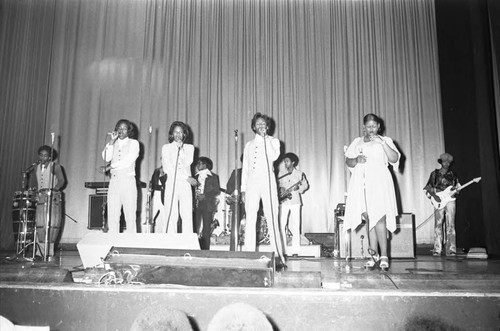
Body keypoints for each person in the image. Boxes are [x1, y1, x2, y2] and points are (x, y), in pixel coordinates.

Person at [344, 113, 400, 270]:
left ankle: (384, 255)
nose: (371, 129)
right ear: (363, 127)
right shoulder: (357, 142)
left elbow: (394, 158)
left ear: (378, 127)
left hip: (380, 181)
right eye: (368, 126)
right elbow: (348, 160)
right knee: (369, 219)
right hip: (362, 183)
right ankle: (373, 254)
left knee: (380, 217)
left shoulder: (386, 140)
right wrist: (356, 160)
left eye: (374, 126)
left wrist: (382, 143)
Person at [241, 113, 285, 263]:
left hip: (267, 181)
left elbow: (273, 156)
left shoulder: (274, 141)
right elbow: (245, 168)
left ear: (267, 127)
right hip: (252, 184)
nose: (260, 126)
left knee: (272, 216)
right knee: (250, 218)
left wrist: (265, 139)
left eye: (263, 124)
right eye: (258, 124)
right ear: (253, 126)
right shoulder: (248, 145)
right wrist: (243, 189)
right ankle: (249, 255)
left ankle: (278, 255)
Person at [101, 119, 139, 233]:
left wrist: (109, 167)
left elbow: (127, 161)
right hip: (114, 182)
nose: (121, 130)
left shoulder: (134, 143)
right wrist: (111, 142)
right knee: (112, 215)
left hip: (128, 181)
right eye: (119, 128)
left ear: (129, 131)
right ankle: (113, 244)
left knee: (130, 215)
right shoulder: (113, 143)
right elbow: (105, 157)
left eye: (124, 128)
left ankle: (131, 245)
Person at [29, 145, 66, 259]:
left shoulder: (56, 166)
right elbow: (35, 182)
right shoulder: (36, 167)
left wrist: (54, 189)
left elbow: (61, 181)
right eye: (41, 155)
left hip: (51, 197)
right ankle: (39, 251)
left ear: (50, 157)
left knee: (49, 224)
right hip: (40, 198)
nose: (43, 157)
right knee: (39, 223)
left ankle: (48, 251)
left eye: (45, 155)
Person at [161, 121, 197, 233]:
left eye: (181, 132)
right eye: (176, 132)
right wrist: (186, 177)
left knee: (186, 213)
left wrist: (181, 149)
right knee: (171, 213)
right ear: (172, 134)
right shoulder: (166, 148)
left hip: (185, 185)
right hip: (172, 182)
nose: (178, 134)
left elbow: (187, 162)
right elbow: (168, 168)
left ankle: (187, 243)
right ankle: (170, 241)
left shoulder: (189, 148)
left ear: (184, 134)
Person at [424, 152, 460, 256]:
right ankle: (437, 249)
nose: (446, 163)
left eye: (448, 162)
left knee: (451, 225)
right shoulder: (434, 174)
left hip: (450, 201)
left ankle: (451, 249)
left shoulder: (453, 175)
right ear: (441, 162)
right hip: (438, 201)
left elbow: (458, 188)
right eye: (444, 161)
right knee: (438, 225)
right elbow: (428, 188)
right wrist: (434, 196)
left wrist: (457, 190)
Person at [278, 152, 309, 256]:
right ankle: (282, 249)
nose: (285, 163)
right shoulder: (281, 173)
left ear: (293, 162)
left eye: (287, 161)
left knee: (295, 225)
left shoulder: (300, 174)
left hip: (295, 201)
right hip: (284, 201)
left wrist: (298, 188)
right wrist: (281, 189)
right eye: (285, 161)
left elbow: (305, 185)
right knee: (281, 224)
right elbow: (278, 185)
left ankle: (295, 250)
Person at [194, 157, 220, 249]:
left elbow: (216, 191)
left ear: (205, 165)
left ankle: (205, 249)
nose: (197, 165)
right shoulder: (195, 176)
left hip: (208, 204)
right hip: (196, 204)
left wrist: (204, 195)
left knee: (206, 228)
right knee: (194, 226)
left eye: (199, 163)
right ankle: (194, 247)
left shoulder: (213, 176)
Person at [226, 154, 244, 249]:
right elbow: (229, 188)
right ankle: (233, 250)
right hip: (238, 203)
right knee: (235, 228)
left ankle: (250, 250)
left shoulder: (257, 173)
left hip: (252, 204)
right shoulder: (236, 172)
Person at [150, 166, 167, 233]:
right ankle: (149, 236)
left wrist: (162, 174)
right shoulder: (156, 170)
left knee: (164, 220)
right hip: (155, 197)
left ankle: (165, 238)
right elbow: (153, 184)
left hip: (164, 198)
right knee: (151, 218)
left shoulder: (169, 170)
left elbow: (167, 185)